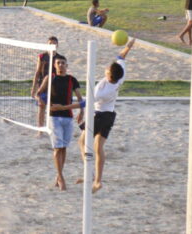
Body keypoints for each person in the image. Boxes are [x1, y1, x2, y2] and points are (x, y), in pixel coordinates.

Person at [54, 38, 136, 193]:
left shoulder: (101, 90)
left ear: (108, 73)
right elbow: (121, 57)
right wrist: (128, 46)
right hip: (110, 116)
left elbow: (83, 104)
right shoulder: (120, 76)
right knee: (98, 148)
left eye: (107, 68)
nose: (106, 67)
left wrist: (63, 107)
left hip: (98, 116)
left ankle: (91, 175)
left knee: (82, 142)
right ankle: (97, 180)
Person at [34, 55, 82, 191]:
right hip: (54, 117)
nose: (61, 65)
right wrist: (43, 103)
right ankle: (61, 178)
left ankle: (58, 177)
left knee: (63, 148)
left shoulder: (72, 80)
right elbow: (38, 93)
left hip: (68, 117)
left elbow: (80, 99)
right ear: (54, 65)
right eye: (58, 63)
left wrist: (82, 111)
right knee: (57, 147)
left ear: (67, 66)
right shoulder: (50, 78)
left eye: (63, 63)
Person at [31, 36, 60, 130]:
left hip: (55, 87)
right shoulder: (42, 57)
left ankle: (53, 128)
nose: (52, 45)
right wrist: (33, 88)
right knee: (41, 107)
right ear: (47, 45)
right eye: (50, 43)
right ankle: (40, 130)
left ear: (57, 45)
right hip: (42, 86)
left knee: (54, 109)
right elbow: (37, 72)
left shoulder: (59, 58)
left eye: (54, 43)